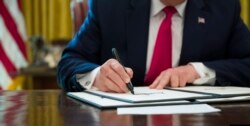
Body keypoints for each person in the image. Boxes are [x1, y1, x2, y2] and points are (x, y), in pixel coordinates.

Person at [57, 0, 250, 92]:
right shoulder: (109, 5)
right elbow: (69, 62)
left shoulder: (223, 7)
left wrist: (197, 71)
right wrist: (97, 76)